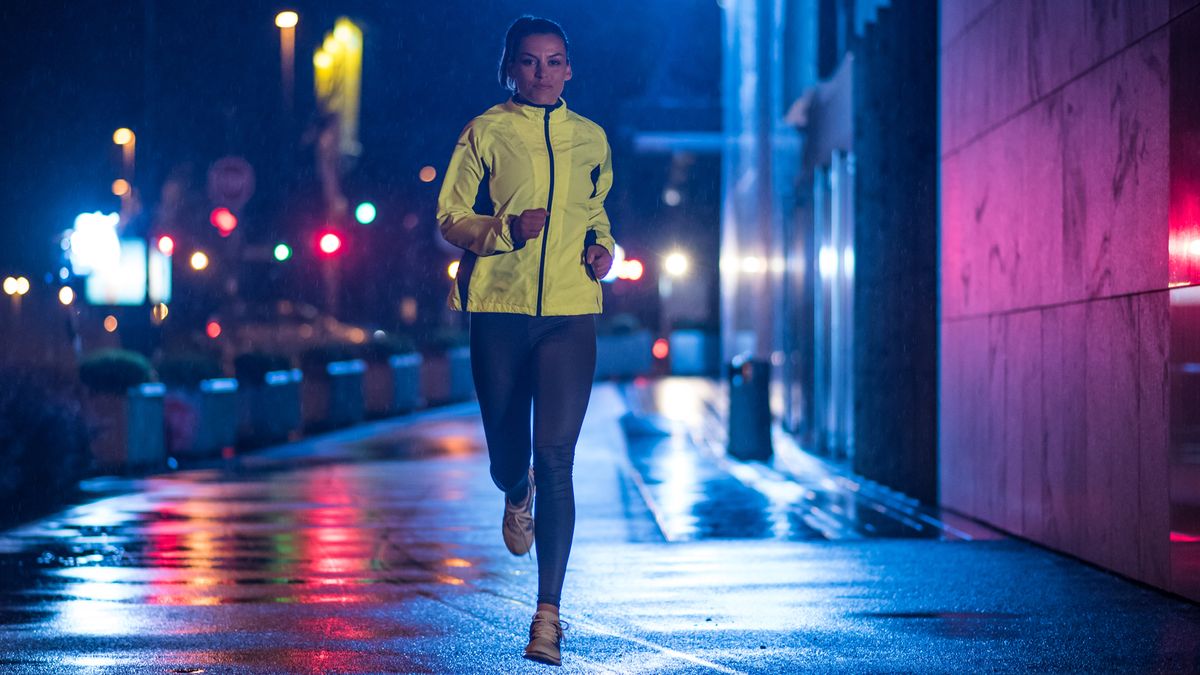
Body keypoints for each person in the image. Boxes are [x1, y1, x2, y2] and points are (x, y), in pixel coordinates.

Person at [435, 15, 616, 667]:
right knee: (509, 456)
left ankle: (548, 617)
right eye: (531, 62)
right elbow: (451, 217)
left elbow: (596, 215)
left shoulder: (592, 140)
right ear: (510, 67)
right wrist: (507, 229)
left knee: (557, 457)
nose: (544, 72)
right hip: (500, 308)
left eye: (556, 61)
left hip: (571, 311)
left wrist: (603, 250)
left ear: (571, 69)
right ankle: (515, 490)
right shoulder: (485, 131)